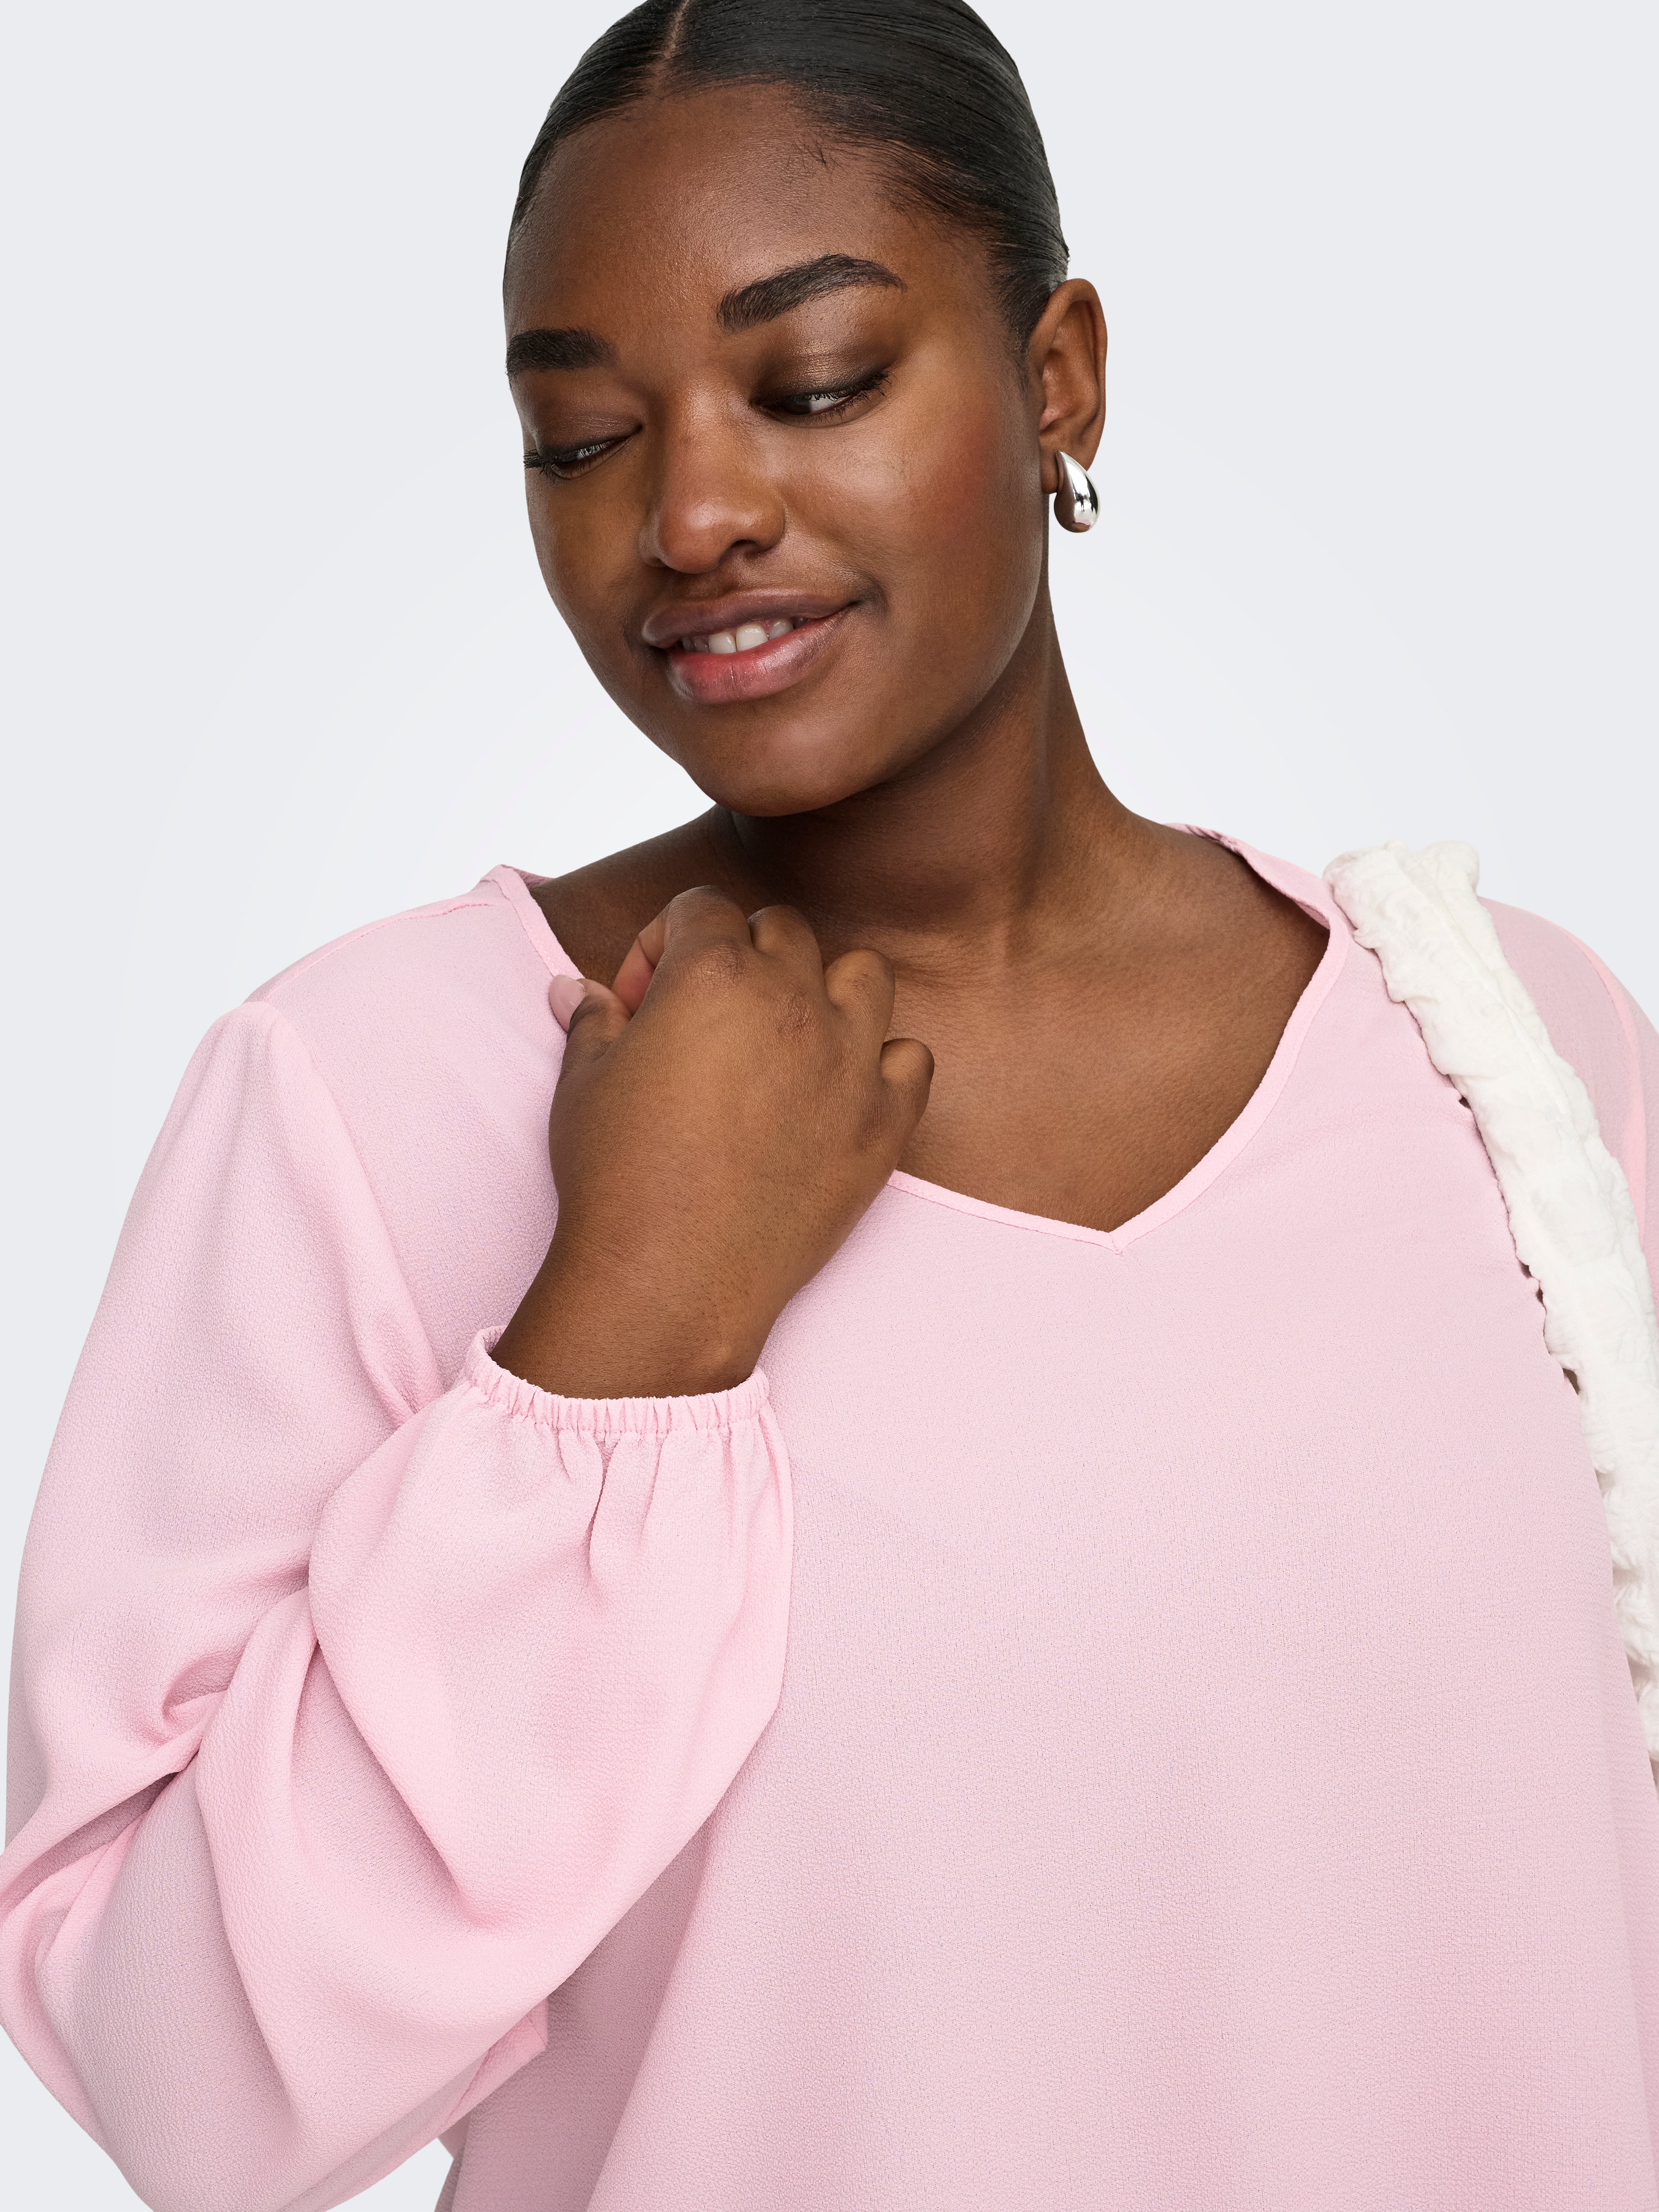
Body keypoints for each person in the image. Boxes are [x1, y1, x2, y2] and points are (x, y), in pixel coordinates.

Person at [4, 1, 1658, 2207]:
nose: (691, 515)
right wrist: (622, 1335)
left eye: (814, 384)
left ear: (1059, 379)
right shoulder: (370, 1093)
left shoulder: (1511, 1050)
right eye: (584, 439)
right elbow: (184, 2086)